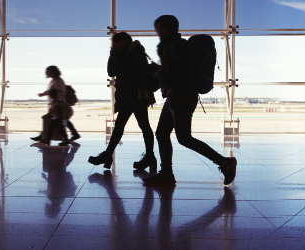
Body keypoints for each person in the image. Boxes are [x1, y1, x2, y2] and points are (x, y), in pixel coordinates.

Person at [142, 15, 236, 185]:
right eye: (157, 27)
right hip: (173, 98)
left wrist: (173, 88)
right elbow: (174, 73)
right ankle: (166, 174)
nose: (158, 31)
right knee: (162, 134)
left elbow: (190, 73)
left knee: (184, 138)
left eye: (161, 27)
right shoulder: (170, 47)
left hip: (183, 97)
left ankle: (225, 162)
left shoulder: (180, 46)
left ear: (171, 28)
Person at [88, 32, 156, 170]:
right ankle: (149, 157)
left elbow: (142, 72)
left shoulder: (136, 52)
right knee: (136, 126)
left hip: (136, 96)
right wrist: (112, 55)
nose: (113, 45)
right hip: (127, 96)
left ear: (124, 41)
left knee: (133, 126)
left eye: (115, 42)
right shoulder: (120, 54)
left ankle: (109, 155)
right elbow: (111, 72)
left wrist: (142, 91)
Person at [34, 66, 80, 143]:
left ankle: (46, 137)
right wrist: (42, 94)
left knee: (56, 122)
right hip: (56, 104)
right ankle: (73, 134)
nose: (46, 73)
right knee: (59, 122)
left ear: (52, 71)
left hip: (58, 105)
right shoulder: (54, 80)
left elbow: (60, 91)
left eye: (47, 71)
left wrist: (56, 101)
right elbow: (50, 91)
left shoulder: (58, 81)